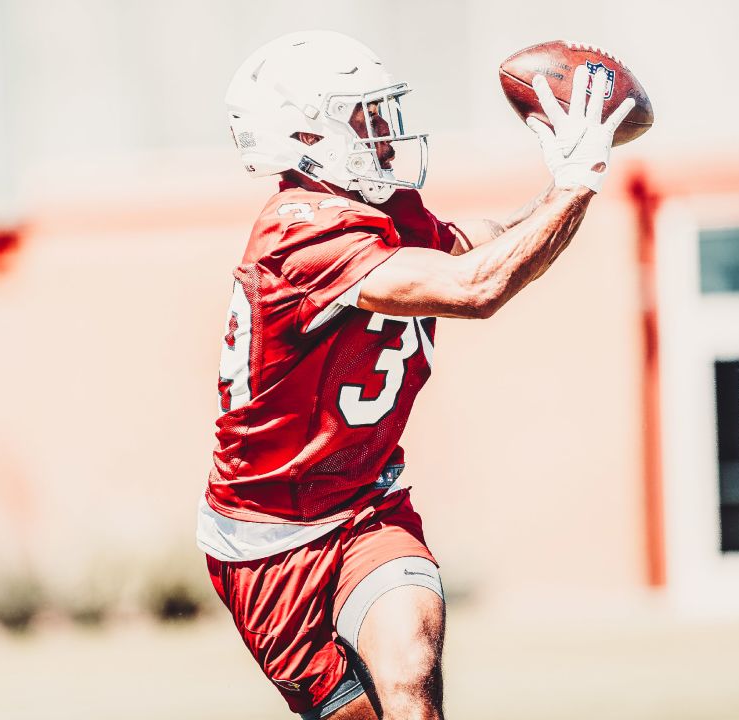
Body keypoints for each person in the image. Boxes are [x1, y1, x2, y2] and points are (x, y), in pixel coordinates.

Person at [197, 30, 635, 720]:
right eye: (363, 115)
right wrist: (577, 186)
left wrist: (564, 184)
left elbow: (486, 245)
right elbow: (472, 288)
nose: (383, 131)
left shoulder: (384, 213)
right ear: (305, 134)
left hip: (367, 503)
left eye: (382, 111)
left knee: (411, 678)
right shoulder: (298, 231)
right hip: (267, 539)